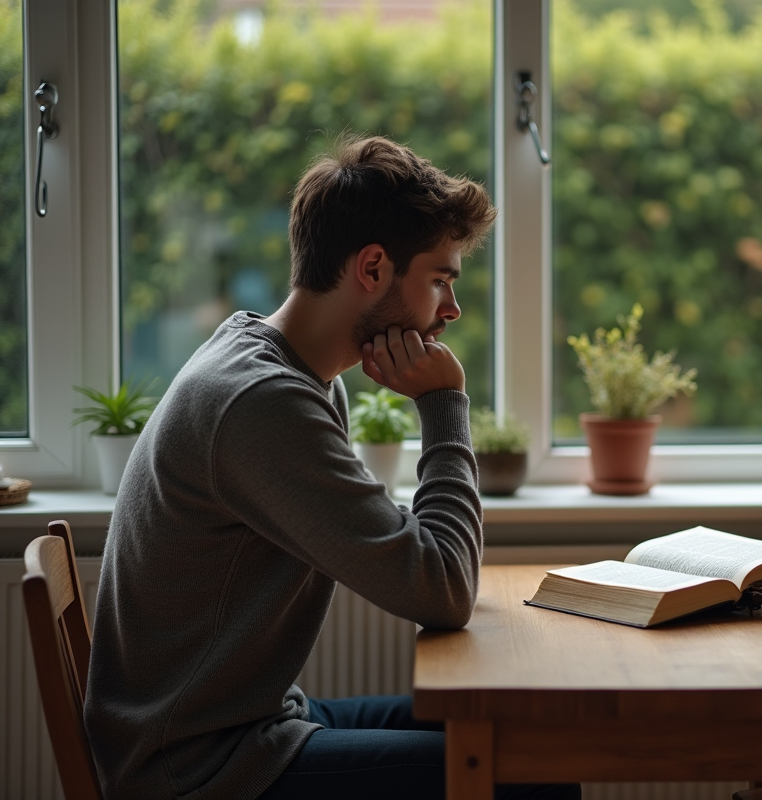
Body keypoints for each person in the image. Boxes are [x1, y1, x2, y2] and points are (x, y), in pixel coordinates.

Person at [84, 135, 577, 800]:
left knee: (524, 735)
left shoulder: (281, 366)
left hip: (252, 727)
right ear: (372, 268)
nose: (451, 311)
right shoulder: (262, 403)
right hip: (198, 770)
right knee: (530, 777)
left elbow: (419, 563)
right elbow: (441, 590)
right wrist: (443, 404)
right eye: (440, 281)